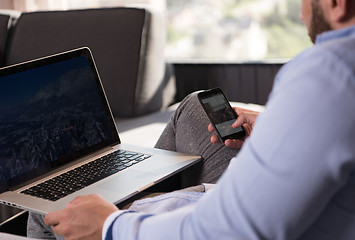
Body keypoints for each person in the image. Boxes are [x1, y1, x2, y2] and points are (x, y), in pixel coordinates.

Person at [30, 0, 355, 239]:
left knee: (48, 209)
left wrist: (111, 225)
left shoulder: (331, 70)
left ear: (337, 4)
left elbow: (234, 230)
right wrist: (280, 130)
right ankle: (140, 196)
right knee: (193, 106)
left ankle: (134, 204)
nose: (300, 13)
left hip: (218, 221)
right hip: (252, 202)